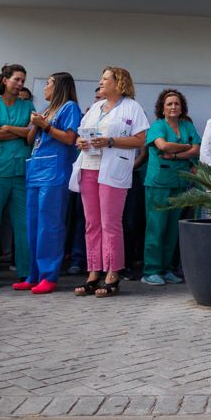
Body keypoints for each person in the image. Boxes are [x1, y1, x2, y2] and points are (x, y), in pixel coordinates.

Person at [71, 66, 149, 299]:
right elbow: (79, 135)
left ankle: (113, 273)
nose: (101, 82)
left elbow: (140, 139)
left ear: (119, 83)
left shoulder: (132, 107)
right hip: (89, 167)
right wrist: (81, 143)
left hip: (113, 170)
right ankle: (94, 272)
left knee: (110, 223)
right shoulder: (95, 107)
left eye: (105, 79)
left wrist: (111, 141)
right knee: (91, 223)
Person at [22, 72, 80, 293]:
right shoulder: (46, 110)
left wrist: (45, 126)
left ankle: (49, 275)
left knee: (50, 224)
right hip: (36, 169)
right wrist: (36, 124)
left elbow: (69, 138)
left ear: (59, 87)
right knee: (33, 223)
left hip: (55, 171)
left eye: (48, 83)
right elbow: (30, 139)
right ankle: (33, 274)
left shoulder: (69, 107)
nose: (44, 87)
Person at [0, 64, 34, 289]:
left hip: (20, 172)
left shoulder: (27, 105)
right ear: (4, 80)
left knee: (23, 225)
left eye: (23, 80)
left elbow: (31, 136)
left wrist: (7, 128)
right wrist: (19, 131)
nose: (20, 84)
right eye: (17, 79)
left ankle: (25, 272)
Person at [141, 89, 200, 286]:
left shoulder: (187, 125)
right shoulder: (157, 126)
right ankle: (151, 270)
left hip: (179, 183)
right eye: (169, 104)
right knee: (156, 227)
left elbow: (197, 149)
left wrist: (175, 153)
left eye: (177, 103)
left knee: (172, 230)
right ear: (162, 108)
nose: (173, 107)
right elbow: (162, 146)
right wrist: (185, 147)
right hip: (159, 184)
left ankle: (166, 269)